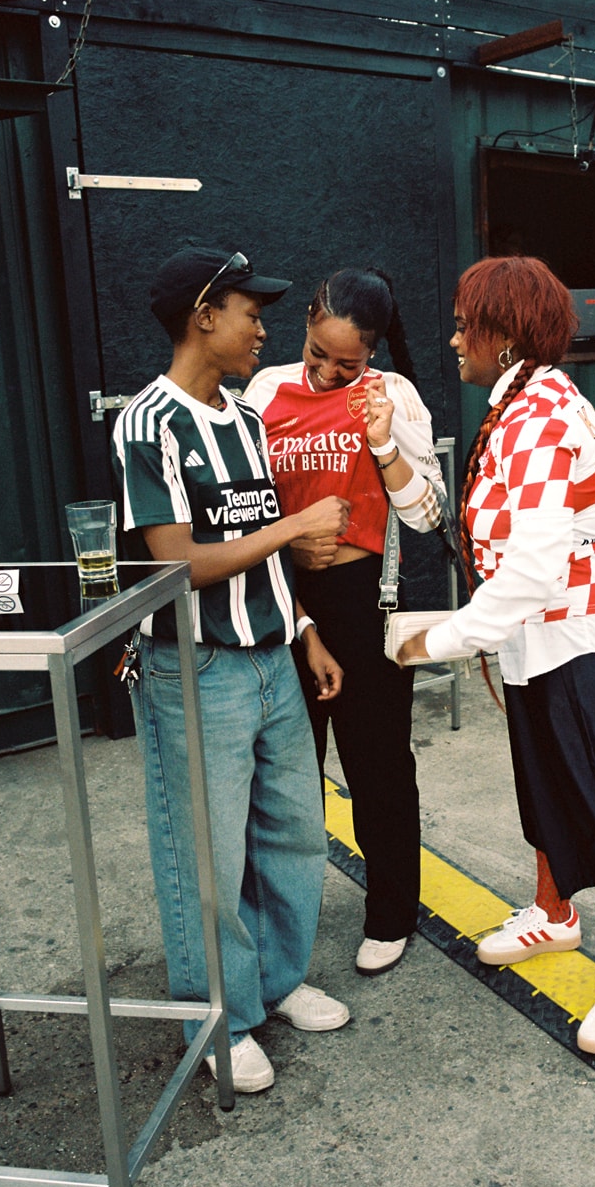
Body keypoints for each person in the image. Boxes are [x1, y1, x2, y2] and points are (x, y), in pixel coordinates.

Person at [397, 256, 595, 1054]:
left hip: (573, 637)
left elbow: (535, 570)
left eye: (466, 324)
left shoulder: (539, 416)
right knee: (544, 780)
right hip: (537, 637)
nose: (453, 338)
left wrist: (439, 639)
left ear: (502, 336)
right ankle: (555, 913)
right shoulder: (519, 405)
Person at [112, 245, 353, 1093]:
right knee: (205, 853)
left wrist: (306, 626)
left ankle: (277, 982)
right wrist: (293, 530)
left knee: (289, 834)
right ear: (202, 315)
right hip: (196, 669)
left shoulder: (245, 416)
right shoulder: (148, 423)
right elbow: (178, 564)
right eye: (250, 312)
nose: (262, 329)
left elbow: (256, 547)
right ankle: (219, 1014)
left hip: (270, 660)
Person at [244, 267, 444, 976]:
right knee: (283, 774)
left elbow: (427, 515)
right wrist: (291, 542)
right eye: (317, 354)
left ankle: (391, 914)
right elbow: (250, 505)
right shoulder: (264, 389)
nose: (329, 373)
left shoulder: (394, 395)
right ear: (303, 322)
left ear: (375, 351)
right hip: (281, 596)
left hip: (366, 596)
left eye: (348, 363)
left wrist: (386, 447)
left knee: (378, 765)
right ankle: (277, 926)